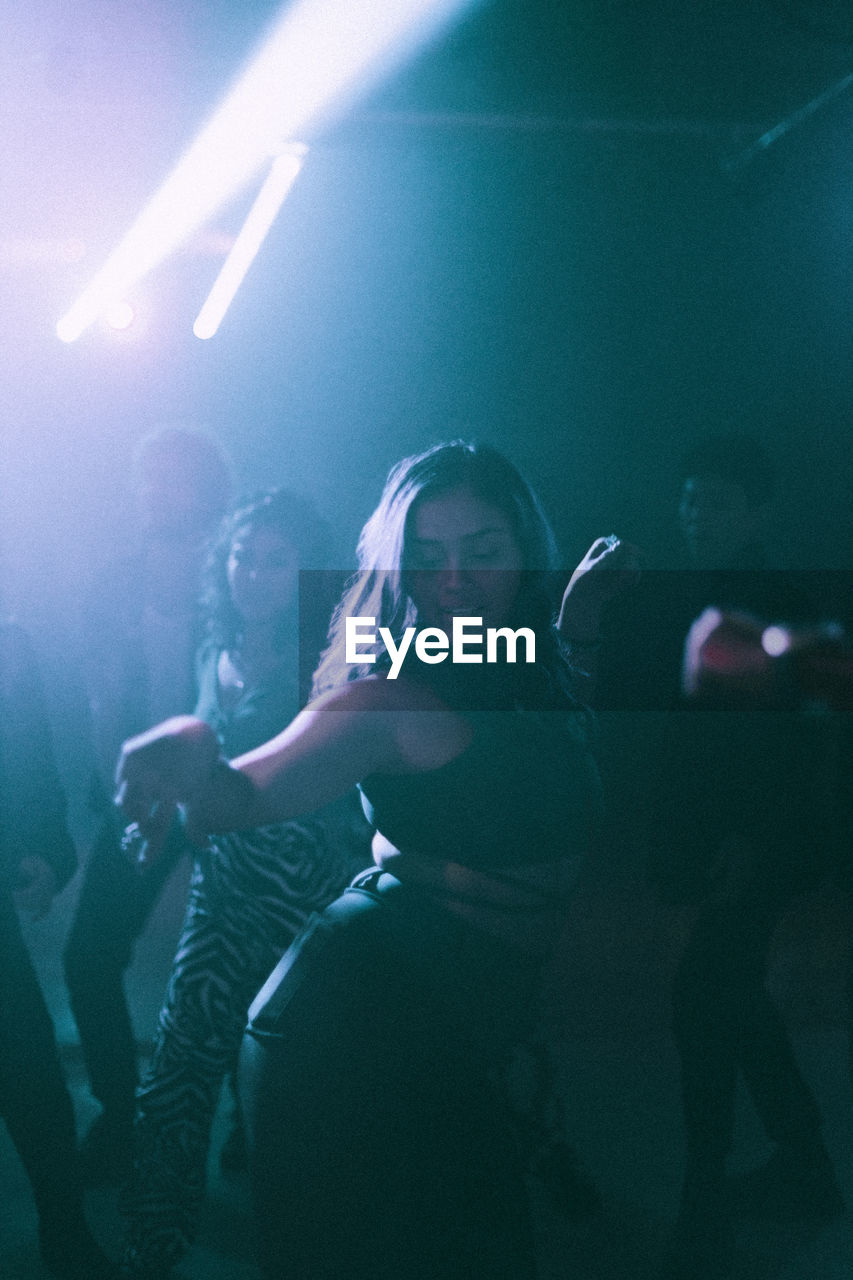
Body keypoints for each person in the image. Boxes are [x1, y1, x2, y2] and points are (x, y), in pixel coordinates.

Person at [114, 440, 610, 1280]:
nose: (452, 579)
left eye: (482, 552)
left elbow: (558, 692)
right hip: (346, 1025)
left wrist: (586, 611)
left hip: (447, 1023)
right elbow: (238, 798)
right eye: (425, 559)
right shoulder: (386, 694)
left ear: (527, 550)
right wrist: (194, 746)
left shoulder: (514, 661)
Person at [570, 434, 840, 1279]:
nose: (695, 514)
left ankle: (702, 1205)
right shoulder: (693, 593)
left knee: (705, 1000)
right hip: (730, 839)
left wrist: (754, 841)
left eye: (715, 501)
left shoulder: (779, 601)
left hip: (759, 844)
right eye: (689, 499)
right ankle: (805, 1169)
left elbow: (809, 745)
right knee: (732, 1001)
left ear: (757, 513)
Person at [119, 489, 370, 1278]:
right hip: (223, 890)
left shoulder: (337, 652)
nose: (252, 574)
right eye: (240, 555)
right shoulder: (211, 647)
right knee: (176, 1072)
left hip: (305, 896)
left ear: (309, 572)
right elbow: (202, 772)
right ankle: (153, 1250)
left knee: (297, 1088)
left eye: (274, 560)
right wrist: (160, 817)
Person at [64, 426, 232, 1183]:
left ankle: (253, 1110)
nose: (155, 492)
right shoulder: (113, 586)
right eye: (146, 477)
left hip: (229, 789)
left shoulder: (238, 580)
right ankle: (118, 1110)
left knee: (245, 959)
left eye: (174, 478)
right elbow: (100, 708)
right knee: (87, 956)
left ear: (208, 492)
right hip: (141, 794)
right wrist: (123, 806)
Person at [0, 623, 116, 1278]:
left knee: (30, 1073)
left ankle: (64, 1229)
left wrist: (45, 855)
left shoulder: (9, 643)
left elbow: (35, 777)